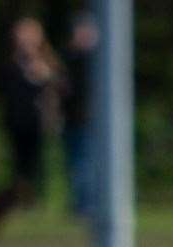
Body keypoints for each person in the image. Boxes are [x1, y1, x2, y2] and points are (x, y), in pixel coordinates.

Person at [1, 17, 64, 205]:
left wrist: (44, 74)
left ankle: (36, 197)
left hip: (37, 119)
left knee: (37, 161)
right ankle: (19, 197)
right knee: (19, 161)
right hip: (16, 118)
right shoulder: (12, 61)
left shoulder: (47, 61)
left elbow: (61, 85)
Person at [62, 12, 99, 219]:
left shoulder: (96, 60)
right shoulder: (71, 57)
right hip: (73, 120)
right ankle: (81, 203)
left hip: (87, 120)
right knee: (76, 165)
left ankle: (87, 204)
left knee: (85, 165)